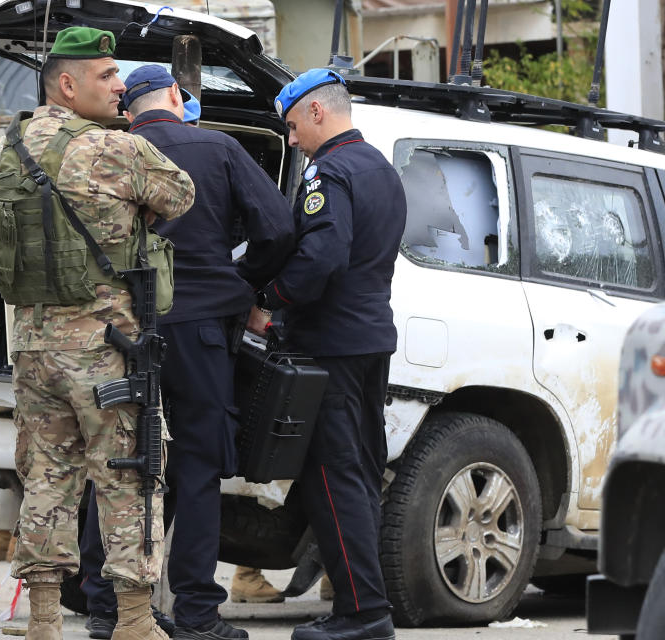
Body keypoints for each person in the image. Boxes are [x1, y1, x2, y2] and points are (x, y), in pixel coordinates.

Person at [0, 28, 195, 640]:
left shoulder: (3, 151)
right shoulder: (115, 149)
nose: (121, 85)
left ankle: (43, 621)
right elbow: (181, 195)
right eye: (106, 75)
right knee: (128, 475)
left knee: (45, 478)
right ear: (67, 86)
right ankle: (132, 621)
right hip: (107, 351)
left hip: (33, 347)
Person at [77, 64, 294, 640]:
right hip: (200, 334)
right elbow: (277, 228)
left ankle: (105, 607)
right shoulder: (217, 147)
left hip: (121, 335)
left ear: (128, 108)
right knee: (196, 470)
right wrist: (236, 279)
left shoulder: (107, 152)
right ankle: (197, 614)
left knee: (121, 468)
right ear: (177, 95)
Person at [249, 68, 406, 640]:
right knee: (360, 474)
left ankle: (363, 613)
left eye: (292, 126)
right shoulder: (382, 168)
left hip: (331, 347)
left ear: (317, 112)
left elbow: (323, 255)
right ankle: (359, 606)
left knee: (332, 477)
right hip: (369, 342)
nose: (291, 140)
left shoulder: (329, 170)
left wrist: (270, 299)